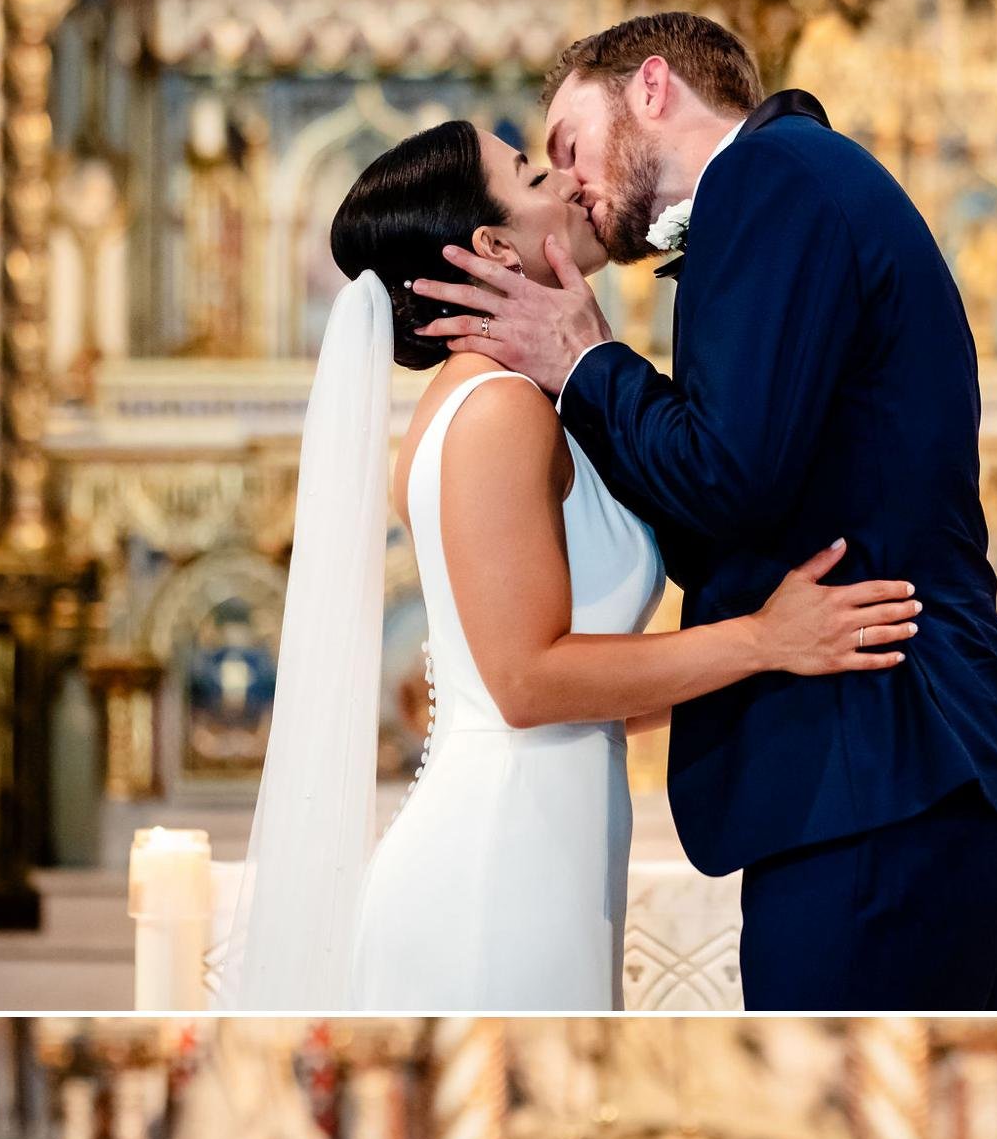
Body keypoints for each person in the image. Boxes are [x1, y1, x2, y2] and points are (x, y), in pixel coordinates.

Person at [222, 109, 922, 1016]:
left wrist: (776, 655)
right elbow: (524, 680)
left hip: (547, 841)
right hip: (496, 861)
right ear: (493, 247)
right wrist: (760, 640)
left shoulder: (518, 401)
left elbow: (581, 688)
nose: (562, 180)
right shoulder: (496, 411)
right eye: (527, 172)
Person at [423, 14, 997, 1017]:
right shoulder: (788, 188)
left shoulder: (769, 181)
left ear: (652, 88)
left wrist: (585, 359)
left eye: (567, 146)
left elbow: (727, 476)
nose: (570, 182)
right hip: (878, 775)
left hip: (883, 757)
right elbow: (738, 501)